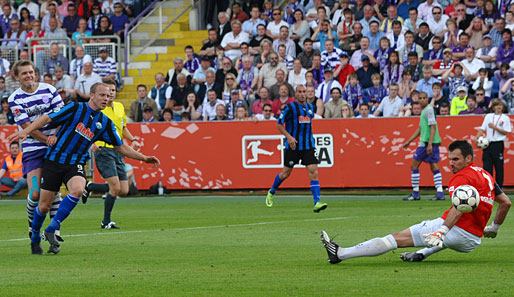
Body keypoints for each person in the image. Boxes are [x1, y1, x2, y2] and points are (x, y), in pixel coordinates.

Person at [8, 82, 160, 255]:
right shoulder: (74, 108)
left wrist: (144, 158)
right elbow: (48, 118)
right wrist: (26, 131)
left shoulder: (105, 123)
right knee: (43, 206)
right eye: (102, 95)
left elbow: (121, 147)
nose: (106, 98)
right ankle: (35, 237)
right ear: (92, 95)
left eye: (108, 95)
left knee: (78, 189)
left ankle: (52, 228)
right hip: (54, 159)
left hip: (76, 162)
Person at [322, 140, 511, 264]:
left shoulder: (460, 178)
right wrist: (494, 228)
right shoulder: (487, 176)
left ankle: (341, 254)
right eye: (449, 159)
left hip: (456, 232)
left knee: (395, 238)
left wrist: (442, 230)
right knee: (439, 237)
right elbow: (505, 203)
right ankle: (422, 253)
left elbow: (458, 208)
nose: (451, 163)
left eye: (456, 159)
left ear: (468, 158)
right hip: (473, 240)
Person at [8, 60, 65, 243]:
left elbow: (63, 116)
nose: (29, 76)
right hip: (33, 148)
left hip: (54, 146)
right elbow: (27, 127)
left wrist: (54, 137)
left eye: (31, 72)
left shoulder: (49, 89)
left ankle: (54, 231)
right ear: (17, 77)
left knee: (54, 192)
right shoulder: (14, 99)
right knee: (34, 193)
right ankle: (32, 225)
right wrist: (46, 139)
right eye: (24, 73)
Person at [81, 79, 141, 229]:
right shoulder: (98, 110)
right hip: (103, 149)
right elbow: (88, 127)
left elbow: (123, 128)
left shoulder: (119, 107)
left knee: (124, 189)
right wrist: (92, 143)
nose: (110, 94)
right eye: (108, 92)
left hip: (118, 149)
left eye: (113, 91)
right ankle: (106, 221)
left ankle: (90, 186)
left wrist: (132, 139)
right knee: (114, 186)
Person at [266, 85, 328, 213]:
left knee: (313, 171)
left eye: (304, 92)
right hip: (293, 146)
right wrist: (289, 137)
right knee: (285, 174)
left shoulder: (311, 108)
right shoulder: (290, 108)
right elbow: (279, 124)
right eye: (299, 92)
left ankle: (317, 202)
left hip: (308, 146)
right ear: (295, 94)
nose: (302, 94)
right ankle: (272, 191)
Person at [402, 91, 445, 201]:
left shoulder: (429, 110)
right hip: (430, 142)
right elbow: (420, 128)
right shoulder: (425, 110)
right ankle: (440, 192)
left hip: (426, 143)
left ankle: (416, 193)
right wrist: (409, 141)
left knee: (414, 165)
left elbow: (433, 126)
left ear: (427, 98)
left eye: (424, 98)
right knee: (433, 165)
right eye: (420, 98)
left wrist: (429, 143)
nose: (422, 100)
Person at [475, 99, 512, 188]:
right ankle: (488, 186)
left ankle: (499, 187)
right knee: (487, 166)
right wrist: (476, 138)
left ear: (503, 107)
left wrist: (494, 127)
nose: (498, 107)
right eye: (496, 105)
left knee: (498, 166)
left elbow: (506, 132)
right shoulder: (488, 116)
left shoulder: (505, 118)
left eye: (500, 105)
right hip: (488, 144)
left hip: (498, 144)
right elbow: (482, 129)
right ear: (493, 107)